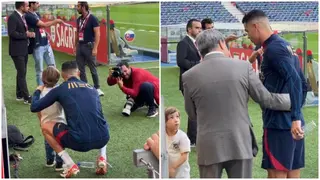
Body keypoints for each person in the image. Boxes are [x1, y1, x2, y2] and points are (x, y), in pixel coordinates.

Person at [182, 29, 292, 178]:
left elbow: (192, 114)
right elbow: (265, 98)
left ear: (199, 48)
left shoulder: (188, 76)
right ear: (222, 43)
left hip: (209, 146)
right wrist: (293, 101)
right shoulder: (243, 67)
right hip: (239, 142)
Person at [242, 10, 306, 178]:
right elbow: (302, 82)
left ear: (256, 27)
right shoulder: (282, 45)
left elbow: (295, 80)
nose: (248, 36)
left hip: (279, 123)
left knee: (276, 173)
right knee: (292, 171)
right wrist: (297, 112)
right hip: (291, 122)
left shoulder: (274, 49)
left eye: (247, 31)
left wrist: (295, 117)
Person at [30, 61, 110, 178]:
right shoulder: (92, 88)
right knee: (100, 120)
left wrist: (37, 91)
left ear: (62, 75)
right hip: (103, 138)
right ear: (78, 73)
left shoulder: (60, 89)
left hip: (79, 142)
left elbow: (34, 107)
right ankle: (102, 157)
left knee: (45, 127)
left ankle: (69, 164)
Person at [176, 19, 202, 147]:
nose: (199, 30)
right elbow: (181, 62)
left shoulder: (198, 43)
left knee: (197, 110)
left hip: (196, 81)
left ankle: (194, 138)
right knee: (194, 110)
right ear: (189, 29)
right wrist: (199, 65)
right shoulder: (183, 43)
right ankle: (192, 140)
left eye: (200, 28)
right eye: (196, 27)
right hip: (187, 82)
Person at [25, 1, 64, 86]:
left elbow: (40, 27)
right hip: (37, 45)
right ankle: (41, 89)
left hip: (46, 43)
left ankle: (55, 85)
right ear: (31, 4)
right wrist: (56, 21)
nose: (39, 5)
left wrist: (45, 32)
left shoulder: (37, 14)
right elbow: (44, 24)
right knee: (40, 70)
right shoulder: (28, 15)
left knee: (52, 66)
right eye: (37, 3)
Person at [37, 66, 66, 171]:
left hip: (46, 122)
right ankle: (59, 163)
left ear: (43, 78)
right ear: (58, 79)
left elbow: (37, 109)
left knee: (48, 142)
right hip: (59, 122)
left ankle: (49, 161)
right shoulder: (60, 91)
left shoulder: (39, 93)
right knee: (60, 142)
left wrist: (41, 121)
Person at [74, 1, 104, 96]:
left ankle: (97, 88)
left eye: (78, 6)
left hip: (89, 46)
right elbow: (77, 33)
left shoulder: (93, 18)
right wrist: (75, 46)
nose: (76, 8)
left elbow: (97, 34)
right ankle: (84, 87)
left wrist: (95, 48)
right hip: (80, 46)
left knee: (92, 68)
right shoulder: (79, 19)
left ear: (83, 7)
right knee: (81, 69)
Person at [7, 1, 35, 104]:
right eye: (27, 6)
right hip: (17, 50)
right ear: (21, 7)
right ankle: (27, 97)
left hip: (23, 49)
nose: (28, 7)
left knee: (21, 72)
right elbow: (12, 33)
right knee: (22, 73)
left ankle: (19, 94)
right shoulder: (13, 17)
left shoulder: (22, 17)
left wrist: (28, 34)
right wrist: (26, 35)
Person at [165, 107, 190, 178]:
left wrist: (173, 167)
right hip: (168, 173)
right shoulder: (164, 134)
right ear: (165, 122)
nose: (176, 120)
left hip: (181, 175)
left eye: (177, 117)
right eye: (171, 117)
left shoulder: (182, 137)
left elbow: (184, 156)